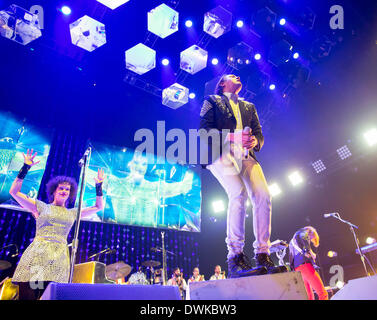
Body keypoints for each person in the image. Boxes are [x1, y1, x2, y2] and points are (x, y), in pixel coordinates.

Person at [199, 74, 287, 278]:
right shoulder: (211, 101)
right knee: (238, 193)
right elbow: (204, 132)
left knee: (264, 195)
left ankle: (263, 254)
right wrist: (233, 136)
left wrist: (256, 141)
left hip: (247, 156)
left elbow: (259, 133)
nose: (237, 75)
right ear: (222, 83)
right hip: (221, 153)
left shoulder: (250, 106)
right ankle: (235, 257)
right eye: (231, 75)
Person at [9, 149, 105, 300]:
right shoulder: (41, 207)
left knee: (51, 295)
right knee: (30, 294)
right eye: (61, 188)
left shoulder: (73, 212)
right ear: (54, 191)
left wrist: (99, 186)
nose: (65, 191)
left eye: (67, 189)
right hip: (38, 256)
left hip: (59, 258)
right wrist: (25, 167)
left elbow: (98, 207)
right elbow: (14, 192)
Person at [289, 226, 328, 300]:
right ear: (310, 232)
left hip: (297, 269)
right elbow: (305, 240)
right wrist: (311, 252)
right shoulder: (303, 232)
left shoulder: (293, 239)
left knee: (309, 297)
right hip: (305, 267)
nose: (310, 239)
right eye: (311, 237)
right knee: (323, 293)